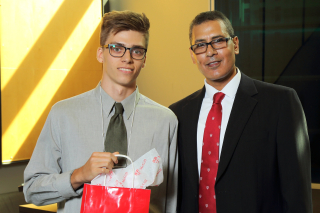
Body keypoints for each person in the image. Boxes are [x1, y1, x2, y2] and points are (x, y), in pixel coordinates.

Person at [24, 10, 178, 213]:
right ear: (100, 54)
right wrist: (79, 175)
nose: (127, 58)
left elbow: (171, 200)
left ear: (144, 59)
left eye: (136, 50)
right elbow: (32, 190)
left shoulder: (166, 121)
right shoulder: (63, 114)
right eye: (117, 48)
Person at [169, 10, 312, 213]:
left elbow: (296, 193)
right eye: (200, 45)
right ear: (193, 55)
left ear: (235, 44)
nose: (210, 52)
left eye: (218, 41)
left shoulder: (280, 103)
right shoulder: (177, 114)